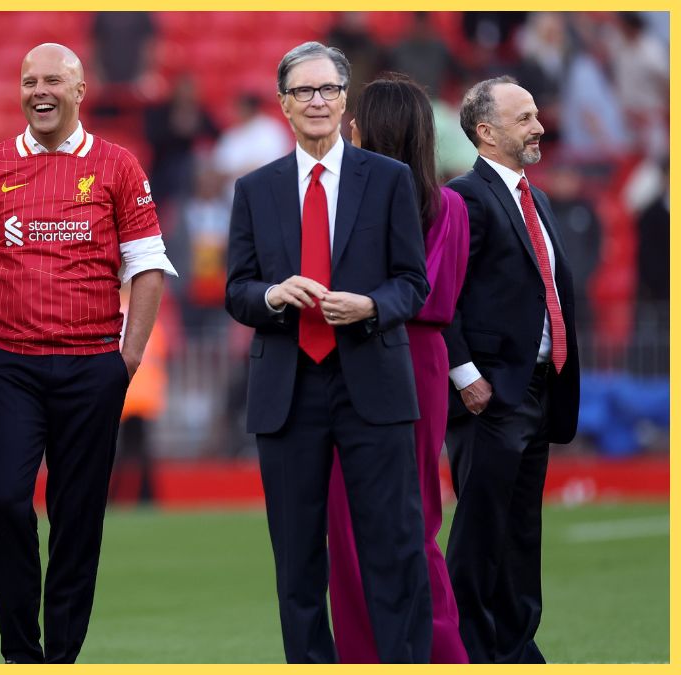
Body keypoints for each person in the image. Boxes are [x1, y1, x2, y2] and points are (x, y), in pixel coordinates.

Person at [0, 43, 175, 664]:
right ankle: (21, 652)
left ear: (79, 90)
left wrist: (127, 360)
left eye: (52, 80)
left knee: (78, 517)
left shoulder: (118, 166)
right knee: (5, 500)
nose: (39, 91)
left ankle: (62, 657)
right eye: (29, 81)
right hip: (10, 364)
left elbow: (148, 266)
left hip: (91, 365)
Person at [223, 42, 431, 663]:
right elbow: (237, 290)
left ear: (345, 101)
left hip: (373, 380)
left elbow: (412, 283)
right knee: (297, 561)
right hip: (288, 390)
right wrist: (273, 296)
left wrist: (370, 306)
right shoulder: (254, 189)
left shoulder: (388, 179)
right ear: (283, 104)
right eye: (303, 91)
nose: (317, 101)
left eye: (329, 90)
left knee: (394, 549)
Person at [324, 74, 469, 664]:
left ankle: (402, 652)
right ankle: (427, 650)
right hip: (416, 358)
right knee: (405, 517)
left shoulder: (371, 203)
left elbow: (412, 291)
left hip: (375, 353)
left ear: (365, 130)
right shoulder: (447, 204)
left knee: (367, 518)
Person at [443, 75, 580, 664]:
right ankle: (465, 651)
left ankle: (517, 648)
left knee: (522, 531)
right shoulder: (463, 197)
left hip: (538, 388)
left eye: (535, 115)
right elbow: (441, 293)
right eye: (524, 118)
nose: (539, 126)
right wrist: (465, 374)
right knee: (480, 533)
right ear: (486, 131)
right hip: (491, 394)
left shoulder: (535, 198)